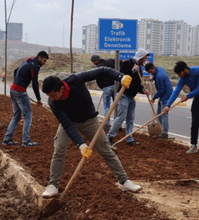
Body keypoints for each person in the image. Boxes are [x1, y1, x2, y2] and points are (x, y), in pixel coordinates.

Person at [40, 68, 142, 197]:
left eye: (53, 95)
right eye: (49, 96)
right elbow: (67, 125)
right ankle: (53, 185)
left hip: (90, 121)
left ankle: (125, 181)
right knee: (59, 149)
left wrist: (120, 77)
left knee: (106, 150)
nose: (52, 99)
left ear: (61, 88)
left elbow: (102, 71)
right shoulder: (54, 103)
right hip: (71, 122)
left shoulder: (75, 80)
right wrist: (81, 145)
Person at [162, 61, 199, 154]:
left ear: (185, 70)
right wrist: (168, 105)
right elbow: (176, 91)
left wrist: (188, 96)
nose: (178, 76)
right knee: (195, 122)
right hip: (198, 99)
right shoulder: (182, 78)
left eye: (179, 73)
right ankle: (193, 145)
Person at [2, 51, 49, 147]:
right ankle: (26, 141)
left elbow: (16, 70)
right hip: (20, 92)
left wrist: (18, 83)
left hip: (13, 89)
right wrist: (39, 99)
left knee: (17, 116)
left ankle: (7, 139)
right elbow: (35, 84)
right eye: (44, 61)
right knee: (28, 116)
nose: (45, 63)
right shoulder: (34, 67)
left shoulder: (28, 60)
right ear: (39, 58)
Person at [107, 48, 150, 145]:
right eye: (145, 57)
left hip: (131, 97)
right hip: (123, 95)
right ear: (141, 57)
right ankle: (109, 136)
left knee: (130, 118)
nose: (145, 59)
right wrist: (133, 71)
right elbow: (122, 76)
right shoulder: (128, 64)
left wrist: (143, 90)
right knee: (121, 117)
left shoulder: (140, 68)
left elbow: (137, 84)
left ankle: (129, 139)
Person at [145, 63, 173, 138]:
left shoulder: (159, 77)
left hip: (166, 94)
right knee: (158, 113)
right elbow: (156, 76)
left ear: (154, 68)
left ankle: (165, 133)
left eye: (151, 72)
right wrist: (153, 78)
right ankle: (160, 131)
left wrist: (154, 98)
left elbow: (161, 90)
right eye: (149, 73)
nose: (151, 73)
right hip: (164, 93)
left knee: (164, 114)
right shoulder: (159, 69)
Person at [91, 54, 116, 130]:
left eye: (93, 62)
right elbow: (120, 64)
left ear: (95, 61)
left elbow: (98, 79)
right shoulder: (111, 61)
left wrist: (102, 86)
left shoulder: (99, 67)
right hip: (116, 86)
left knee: (107, 106)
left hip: (107, 88)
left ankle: (106, 124)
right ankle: (118, 124)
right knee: (117, 106)